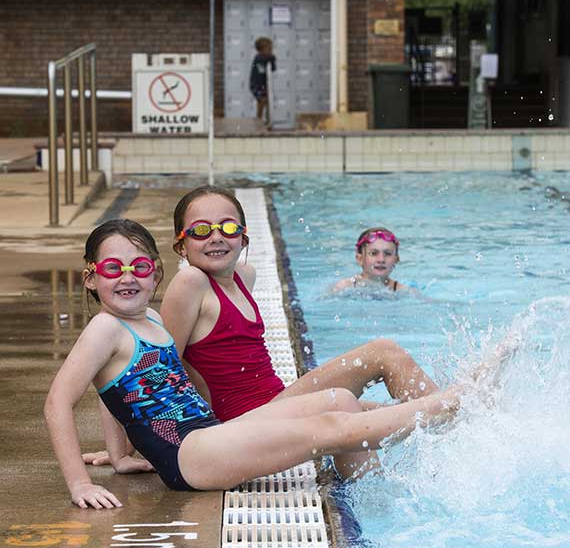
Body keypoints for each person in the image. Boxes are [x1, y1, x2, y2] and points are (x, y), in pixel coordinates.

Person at [45, 218, 463, 509]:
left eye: (139, 267)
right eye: (112, 268)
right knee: (331, 429)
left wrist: (119, 456)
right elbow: (57, 403)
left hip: (210, 436)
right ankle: (452, 402)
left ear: (156, 275)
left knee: (338, 399)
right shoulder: (104, 329)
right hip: (190, 457)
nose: (127, 278)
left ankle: (374, 500)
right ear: (90, 278)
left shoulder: (149, 320)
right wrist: (79, 483)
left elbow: (114, 390)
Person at [332, 226, 413, 294]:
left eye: (388, 254)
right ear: (360, 259)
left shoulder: (404, 291)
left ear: (396, 259)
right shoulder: (343, 288)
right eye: (373, 253)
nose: (381, 259)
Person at [249, 37, 276, 123]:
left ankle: (266, 120)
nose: (271, 50)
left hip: (263, 85)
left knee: (266, 102)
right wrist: (272, 57)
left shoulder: (266, 58)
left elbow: (273, 68)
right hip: (256, 85)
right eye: (269, 49)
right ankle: (259, 120)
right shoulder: (258, 58)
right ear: (261, 49)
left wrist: (272, 60)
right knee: (262, 101)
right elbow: (266, 59)